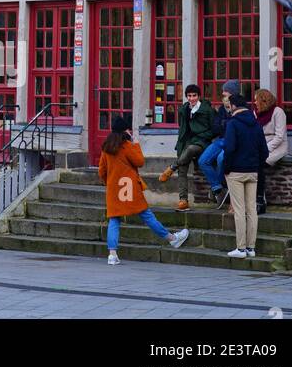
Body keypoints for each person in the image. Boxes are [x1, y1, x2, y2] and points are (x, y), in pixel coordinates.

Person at [97, 114, 189, 265]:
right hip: (130, 187)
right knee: (146, 215)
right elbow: (139, 161)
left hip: (114, 188)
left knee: (114, 219)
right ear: (124, 131)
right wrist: (135, 143)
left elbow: (102, 171)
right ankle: (172, 239)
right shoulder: (126, 146)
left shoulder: (106, 148)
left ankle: (112, 254)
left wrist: (110, 182)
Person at [221, 87, 268, 259]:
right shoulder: (256, 124)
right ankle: (251, 248)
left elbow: (229, 149)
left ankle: (241, 248)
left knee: (239, 210)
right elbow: (264, 151)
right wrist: (256, 164)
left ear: (233, 106)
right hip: (252, 171)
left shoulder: (233, 124)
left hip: (236, 172)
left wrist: (225, 169)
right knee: (252, 210)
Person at [158, 84, 216, 209]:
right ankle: (183, 200)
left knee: (190, 150)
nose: (191, 98)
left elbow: (214, 130)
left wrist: (201, 135)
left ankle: (172, 167)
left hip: (202, 142)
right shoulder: (184, 110)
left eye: (194, 95)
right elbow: (182, 129)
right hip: (186, 142)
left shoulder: (208, 110)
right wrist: (181, 143)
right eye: (189, 96)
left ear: (199, 96)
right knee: (182, 168)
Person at [197, 80, 240, 205]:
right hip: (221, 140)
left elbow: (236, 127)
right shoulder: (222, 109)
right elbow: (216, 127)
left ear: (232, 93)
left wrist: (227, 119)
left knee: (221, 159)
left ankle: (221, 185)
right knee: (203, 160)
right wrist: (225, 120)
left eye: (225, 92)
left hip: (233, 141)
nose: (223, 94)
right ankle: (218, 189)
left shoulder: (241, 106)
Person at [252, 89, 287, 215]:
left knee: (258, 164)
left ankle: (260, 199)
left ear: (263, 100)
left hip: (276, 146)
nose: (255, 102)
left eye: (257, 99)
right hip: (260, 145)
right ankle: (256, 198)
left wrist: (265, 149)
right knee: (250, 163)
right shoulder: (256, 113)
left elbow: (279, 136)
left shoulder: (278, 112)